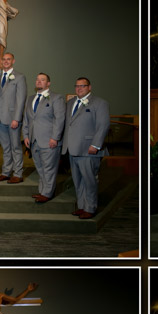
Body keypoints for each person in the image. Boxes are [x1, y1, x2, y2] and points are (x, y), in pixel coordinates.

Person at [63, 77, 110, 219]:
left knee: (89, 180)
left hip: (89, 149)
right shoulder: (70, 103)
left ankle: (91, 208)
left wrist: (95, 145)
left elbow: (103, 125)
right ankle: (82, 206)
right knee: (77, 181)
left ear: (89, 87)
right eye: (77, 86)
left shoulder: (100, 103)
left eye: (82, 86)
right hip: (73, 148)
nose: (79, 88)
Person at [23, 73, 66, 203]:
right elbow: (26, 119)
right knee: (40, 168)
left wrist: (55, 137)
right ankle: (43, 191)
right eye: (37, 79)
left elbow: (60, 119)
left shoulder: (56, 98)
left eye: (42, 80)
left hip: (49, 140)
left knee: (49, 168)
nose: (39, 81)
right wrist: (25, 135)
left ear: (48, 83)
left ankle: (47, 193)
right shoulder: (30, 99)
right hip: (34, 140)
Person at [0, 52, 28, 183]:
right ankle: (6, 171)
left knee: (15, 147)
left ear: (13, 61)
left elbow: (21, 99)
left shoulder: (19, 77)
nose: (6, 61)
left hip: (13, 118)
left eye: (8, 59)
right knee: (5, 147)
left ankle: (18, 173)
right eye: (4, 59)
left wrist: (16, 118)